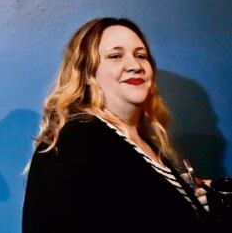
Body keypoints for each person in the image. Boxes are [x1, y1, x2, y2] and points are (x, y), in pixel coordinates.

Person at [23, 17, 213, 231]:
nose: (135, 65)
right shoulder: (74, 140)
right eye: (115, 56)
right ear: (85, 73)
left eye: (141, 55)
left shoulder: (144, 142)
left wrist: (192, 199)